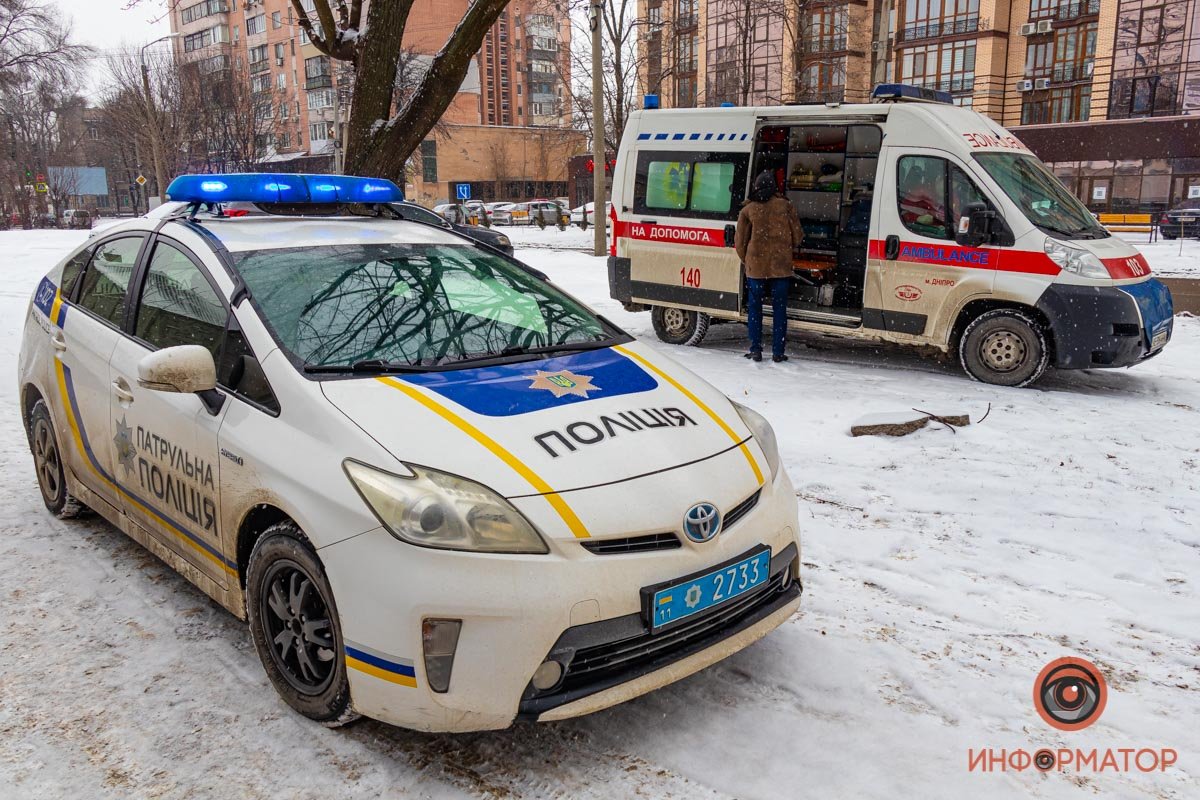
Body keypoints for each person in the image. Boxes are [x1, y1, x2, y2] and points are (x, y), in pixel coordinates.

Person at [735, 171, 804, 362]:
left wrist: (748, 260)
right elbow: (798, 237)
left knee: (755, 309)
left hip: (756, 269)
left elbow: (739, 244)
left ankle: (755, 350)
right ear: (774, 187)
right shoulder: (786, 206)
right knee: (779, 310)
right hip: (780, 268)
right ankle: (778, 352)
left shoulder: (748, 210)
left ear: (756, 187)